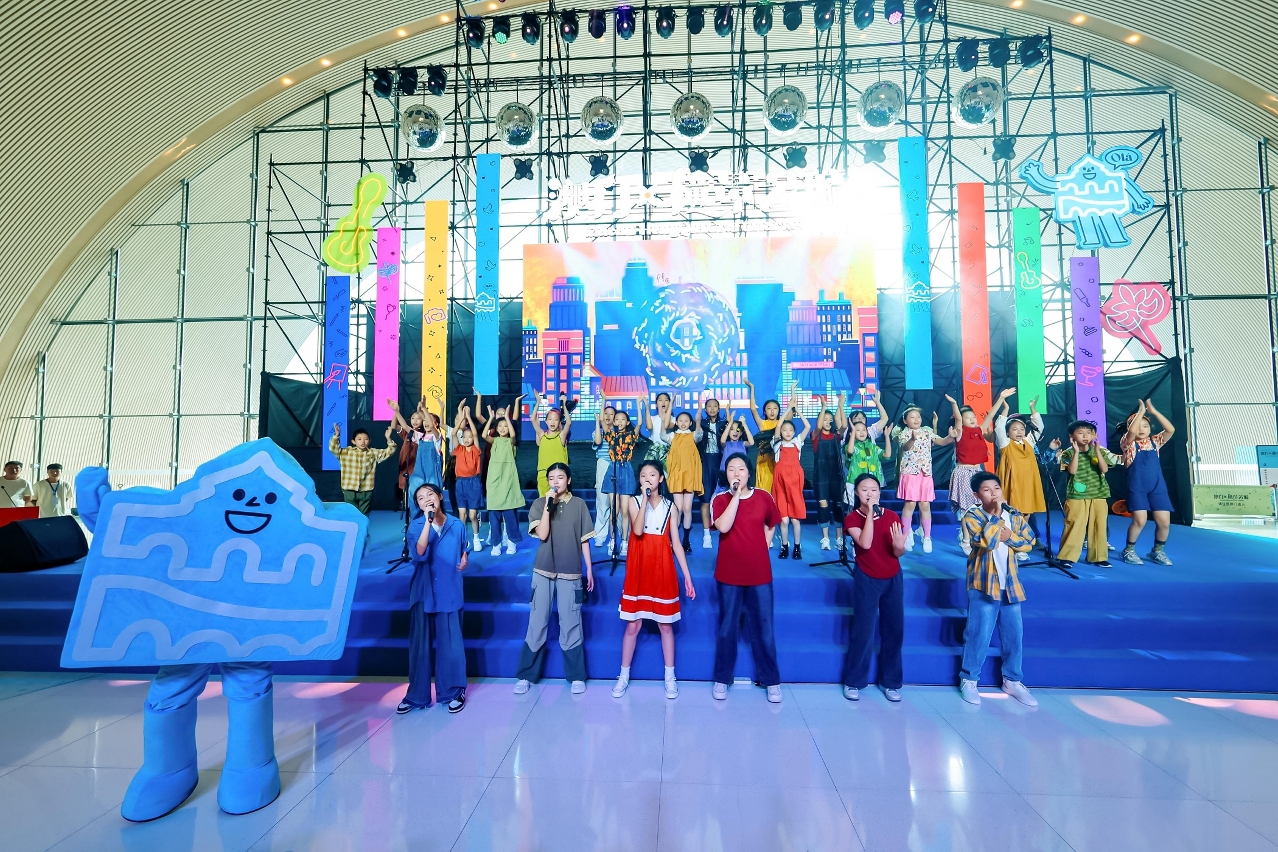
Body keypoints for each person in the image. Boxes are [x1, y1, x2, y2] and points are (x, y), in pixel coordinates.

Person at [613, 461, 697, 699]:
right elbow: (638, 531)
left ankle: (670, 677)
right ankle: (623, 676)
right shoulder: (634, 501)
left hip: (662, 567)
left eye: (652, 475)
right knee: (633, 625)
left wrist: (687, 576)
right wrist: (644, 499)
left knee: (665, 625)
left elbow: (676, 544)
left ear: (661, 479)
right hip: (639, 567)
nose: (647, 478)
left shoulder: (671, 507)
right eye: (643, 475)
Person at [958, 472, 1037, 707]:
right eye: (987, 490)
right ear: (976, 495)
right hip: (983, 584)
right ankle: (969, 679)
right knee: (978, 633)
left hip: (1010, 584)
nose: (993, 493)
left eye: (996, 488)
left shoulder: (1013, 514)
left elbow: (1029, 541)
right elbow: (986, 542)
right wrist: (995, 517)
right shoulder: (972, 516)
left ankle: (1012, 680)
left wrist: (1010, 537)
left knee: (1014, 634)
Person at [515, 462, 595, 694]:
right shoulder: (540, 504)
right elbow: (543, 534)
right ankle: (526, 675)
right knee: (537, 621)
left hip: (571, 570)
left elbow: (584, 540)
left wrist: (589, 569)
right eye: (551, 478)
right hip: (543, 569)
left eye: (560, 477)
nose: (556, 481)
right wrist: (548, 507)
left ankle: (576, 676)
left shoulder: (579, 505)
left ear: (568, 480)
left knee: (571, 622)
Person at [711, 453, 783, 703]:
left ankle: (771, 680)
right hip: (729, 573)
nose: (736, 473)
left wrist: (765, 543)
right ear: (726, 474)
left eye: (741, 469)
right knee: (727, 627)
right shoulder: (720, 499)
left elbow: (772, 522)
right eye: (731, 469)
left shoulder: (763, 497)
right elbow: (723, 526)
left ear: (749, 473)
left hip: (759, 573)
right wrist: (735, 497)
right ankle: (722, 678)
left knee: (764, 627)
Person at [397, 484, 470, 715]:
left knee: (451, 645)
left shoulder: (456, 524)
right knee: (419, 647)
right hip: (423, 592)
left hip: (449, 591)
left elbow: (464, 548)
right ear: (418, 505)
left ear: (440, 496)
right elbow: (419, 553)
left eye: (430, 494)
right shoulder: (416, 526)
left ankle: (453, 692)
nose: (426, 499)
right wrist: (428, 522)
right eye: (420, 498)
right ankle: (416, 696)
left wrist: (465, 557)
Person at [842, 473, 909, 702]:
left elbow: (897, 551)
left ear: (880, 492)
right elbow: (866, 543)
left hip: (893, 577)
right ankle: (854, 681)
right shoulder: (852, 518)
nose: (869, 494)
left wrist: (900, 547)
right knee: (864, 630)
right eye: (864, 490)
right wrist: (870, 514)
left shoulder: (891, 516)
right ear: (856, 493)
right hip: (867, 577)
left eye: (874, 490)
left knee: (894, 629)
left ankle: (891, 682)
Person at [992, 388, 1049, 555]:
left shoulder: (1029, 442)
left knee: (1026, 514)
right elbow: (999, 428)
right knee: (1011, 514)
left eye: (1022, 429)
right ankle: (1012, 544)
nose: (1019, 432)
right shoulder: (1004, 443)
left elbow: (1039, 427)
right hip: (1012, 483)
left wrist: (1033, 409)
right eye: (1015, 429)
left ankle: (1020, 543)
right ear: (1008, 432)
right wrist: (1005, 409)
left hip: (1028, 483)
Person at [1058, 420, 1122, 568]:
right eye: (1080, 433)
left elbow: (1104, 469)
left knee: (1099, 526)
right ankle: (1067, 557)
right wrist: (1076, 452)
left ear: (1094, 435)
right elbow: (1072, 471)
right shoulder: (1068, 453)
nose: (1085, 436)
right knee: (1074, 525)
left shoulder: (1100, 450)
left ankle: (1098, 557)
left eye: (1089, 433)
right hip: (1076, 495)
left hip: (1099, 493)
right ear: (1072, 436)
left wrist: (1098, 451)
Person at [1119, 399, 1176, 566]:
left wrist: (1154, 412)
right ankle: (1128, 551)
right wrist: (1141, 412)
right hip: (1137, 488)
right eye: (1138, 426)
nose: (1141, 429)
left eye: (1145, 426)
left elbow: (1171, 429)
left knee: (1164, 522)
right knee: (1140, 521)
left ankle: (1157, 551)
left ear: (1150, 429)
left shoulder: (1155, 442)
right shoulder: (1128, 444)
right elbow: (1131, 432)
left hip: (1158, 488)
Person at [894, 405, 955, 553]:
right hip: (910, 473)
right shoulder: (903, 433)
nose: (916, 419)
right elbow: (905, 447)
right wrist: (912, 439)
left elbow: (942, 441)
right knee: (910, 504)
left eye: (918, 417)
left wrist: (951, 436)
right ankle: (906, 535)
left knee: (925, 505)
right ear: (905, 420)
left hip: (925, 474)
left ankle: (927, 537)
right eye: (912, 417)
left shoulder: (927, 431)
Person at [946, 393, 998, 555]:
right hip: (963, 472)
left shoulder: (979, 431)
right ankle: (966, 540)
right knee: (967, 508)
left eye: (973, 417)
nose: (972, 419)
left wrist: (1001, 398)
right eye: (968, 418)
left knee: (981, 507)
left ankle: (976, 536)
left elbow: (990, 415)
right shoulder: (960, 432)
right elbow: (958, 419)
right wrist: (954, 404)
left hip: (977, 472)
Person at [482, 401, 525, 556]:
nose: (502, 428)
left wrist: (507, 417)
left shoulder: (511, 441)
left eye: (505, 426)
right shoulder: (494, 440)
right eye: (500, 426)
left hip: (508, 479)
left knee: (509, 514)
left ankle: (512, 542)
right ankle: (496, 544)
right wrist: (491, 419)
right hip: (494, 479)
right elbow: (484, 435)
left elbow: (513, 435)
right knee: (494, 515)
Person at [329, 424, 397, 516]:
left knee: (364, 515)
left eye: (366, 439)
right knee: (351, 513)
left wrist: (388, 438)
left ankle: (363, 526)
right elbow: (333, 448)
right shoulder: (346, 452)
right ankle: (353, 526)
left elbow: (390, 451)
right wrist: (336, 435)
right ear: (353, 441)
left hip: (366, 489)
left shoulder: (373, 453)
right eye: (359, 439)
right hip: (349, 488)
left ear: (369, 441)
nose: (363, 442)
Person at [811, 393, 850, 552]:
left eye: (830, 419)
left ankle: (839, 539)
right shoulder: (815, 436)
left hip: (836, 474)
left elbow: (844, 426)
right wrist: (824, 407)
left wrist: (841, 405)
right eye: (825, 419)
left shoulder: (836, 436)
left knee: (838, 505)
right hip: (821, 476)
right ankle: (825, 538)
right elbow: (818, 426)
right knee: (823, 505)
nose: (827, 422)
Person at [601, 404, 640, 556]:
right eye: (617, 419)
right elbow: (602, 420)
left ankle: (624, 542)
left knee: (625, 511)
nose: (619, 421)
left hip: (627, 470)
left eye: (623, 419)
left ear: (628, 422)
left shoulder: (631, 435)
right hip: (613, 469)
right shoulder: (610, 435)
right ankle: (612, 541)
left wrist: (640, 405)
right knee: (614, 511)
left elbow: (640, 423)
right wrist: (603, 400)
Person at [771, 405, 809, 559]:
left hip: (794, 482)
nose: (787, 432)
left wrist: (797, 411)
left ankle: (797, 547)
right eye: (784, 430)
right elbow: (778, 425)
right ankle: (784, 546)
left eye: (790, 430)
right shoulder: (777, 444)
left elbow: (807, 426)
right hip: (780, 482)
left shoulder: (797, 443)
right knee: (784, 520)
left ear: (794, 432)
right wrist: (787, 410)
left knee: (795, 519)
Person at [664, 410, 703, 553]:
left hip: (689, 475)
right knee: (678, 508)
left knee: (687, 508)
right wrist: (668, 412)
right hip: (677, 476)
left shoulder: (693, 436)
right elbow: (662, 434)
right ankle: (674, 540)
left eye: (686, 421)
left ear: (690, 423)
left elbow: (699, 434)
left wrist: (698, 418)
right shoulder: (672, 436)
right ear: (676, 422)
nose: (683, 423)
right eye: (680, 420)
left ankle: (686, 541)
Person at [845, 391, 893, 498]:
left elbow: (887, 455)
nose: (860, 420)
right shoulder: (851, 442)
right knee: (855, 506)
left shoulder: (872, 444)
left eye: (862, 418)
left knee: (873, 505)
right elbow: (850, 451)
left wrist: (886, 437)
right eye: (856, 418)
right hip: (855, 482)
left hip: (873, 480)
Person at [452, 406, 485, 551]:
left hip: (473, 483)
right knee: (462, 515)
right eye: (464, 437)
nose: (467, 439)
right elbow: (454, 433)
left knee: (472, 515)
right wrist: (461, 420)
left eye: (469, 437)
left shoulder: (476, 450)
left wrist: (468, 417)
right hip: (460, 483)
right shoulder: (458, 449)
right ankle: (463, 539)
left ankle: (476, 538)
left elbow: (476, 434)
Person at [697, 395, 728, 549]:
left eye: (715, 406)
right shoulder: (701, 424)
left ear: (719, 408)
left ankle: (726, 531)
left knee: (724, 497)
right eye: (709, 406)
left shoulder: (724, 424)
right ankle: (706, 534)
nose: (712, 409)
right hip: (705, 463)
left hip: (721, 462)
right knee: (705, 499)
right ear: (705, 409)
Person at [744, 378, 783, 493]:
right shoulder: (762, 424)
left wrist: (792, 390)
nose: (772, 411)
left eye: (775, 408)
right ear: (765, 411)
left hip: (778, 460)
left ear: (779, 410)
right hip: (764, 460)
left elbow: (792, 406)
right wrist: (752, 388)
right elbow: (753, 409)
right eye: (769, 409)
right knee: (764, 490)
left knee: (777, 490)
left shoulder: (782, 424)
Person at [388, 398, 427, 507]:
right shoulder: (407, 434)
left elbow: (405, 426)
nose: (415, 421)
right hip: (405, 465)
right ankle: (407, 510)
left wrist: (397, 411)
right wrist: (395, 412)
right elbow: (394, 426)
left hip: (415, 466)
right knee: (405, 490)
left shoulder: (422, 434)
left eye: (418, 418)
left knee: (415, 490)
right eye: (413, 418)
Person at [532, 395, 572, 496]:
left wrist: (564, 404)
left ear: (559, 422)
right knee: (543, 500)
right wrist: (538, 402)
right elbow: (533, 420)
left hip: (558, 473)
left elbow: (568, 423)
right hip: (543, 473)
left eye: (556, 419)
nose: (553, 422)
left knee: (560, 500)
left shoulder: (561, 436)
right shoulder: (542, 435)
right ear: (546, 421)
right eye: (550, 419)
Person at [591, 400, 618, 549]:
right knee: (602, 503)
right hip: (603, 465)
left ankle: (617, 537)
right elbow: (598, 441)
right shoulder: (598, 431)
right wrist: (598, 422)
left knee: (617, 505)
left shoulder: (620, 433)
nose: (608, 416)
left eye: (611, 414)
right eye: (605, 413)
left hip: (617, 465)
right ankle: (600, 536)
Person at [718, 414, 755, 485]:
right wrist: (730, 423)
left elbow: (751, 442)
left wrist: (744, 424)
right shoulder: (726, 444)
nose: (735, 432)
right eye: (732, 429)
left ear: (741, 433)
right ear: (728, 432)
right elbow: (722, 440)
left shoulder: (743, 444)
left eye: (738, 430)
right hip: (726, 474)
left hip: (740, 474)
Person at [644, 391, 675, 462]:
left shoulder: (674, 419)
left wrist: (666, 414)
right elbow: (649, 427)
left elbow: (666, 426)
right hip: (654, 452)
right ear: (656, 405)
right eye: (660, 400)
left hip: (668, 451)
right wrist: (647, 407)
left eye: (666, 400)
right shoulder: (652, 418)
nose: (663, 402)